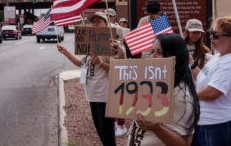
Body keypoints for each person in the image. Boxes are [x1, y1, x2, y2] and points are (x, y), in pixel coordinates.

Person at [127, 34, 200, 146]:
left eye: (160, 52)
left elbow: (184, 143)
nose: (152, 57)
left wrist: (157, 129)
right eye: (152, 52)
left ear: (176, 56)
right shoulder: (155, 84)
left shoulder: (181, 96)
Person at [57, 11, 116, 146]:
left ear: (106, 24)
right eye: (93, 21)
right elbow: (81, 64)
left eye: (98, 21)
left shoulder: (111, 44)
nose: (95, 23)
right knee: (100, 129)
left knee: (107, 131)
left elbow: (116, 69)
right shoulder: (89, 42)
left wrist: (100, 62)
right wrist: (66, 52)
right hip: (92, 94)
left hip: (104, 95)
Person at [191, 16, 231, 146]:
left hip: (225, 125)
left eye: (215, 34)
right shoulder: (218, 56)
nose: (211, 37)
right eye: (211, 33)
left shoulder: (230, 63)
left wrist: (189, 97)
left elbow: (213, 92)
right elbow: (206, 79)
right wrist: (192, 66)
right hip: (215, 123)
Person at [104, 9, 128, 137]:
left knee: (119, 99)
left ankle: (121, 124)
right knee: (111, 99)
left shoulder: (119, 47)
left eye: (110, 16)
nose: (108, 17)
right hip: (108, 77)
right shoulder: (104, 45)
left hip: (119, 76)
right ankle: (114, 122)